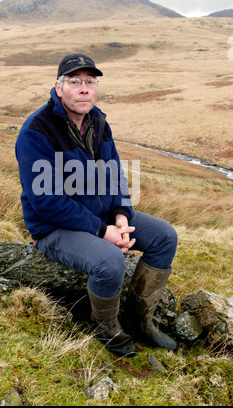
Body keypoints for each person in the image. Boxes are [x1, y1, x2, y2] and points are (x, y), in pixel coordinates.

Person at [15, 53, 178, 357]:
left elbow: (115, 173)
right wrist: (104, 232)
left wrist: (120, 215)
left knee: (165, 237)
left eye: (90, 81)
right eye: (74, 81)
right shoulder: (37, 131)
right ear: (58, 87)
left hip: (101, 215)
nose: (84, 88)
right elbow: (46, 201)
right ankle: (105, 328)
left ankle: (139, 320)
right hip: (54, 228)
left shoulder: (98, 122)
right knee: (110, 261)